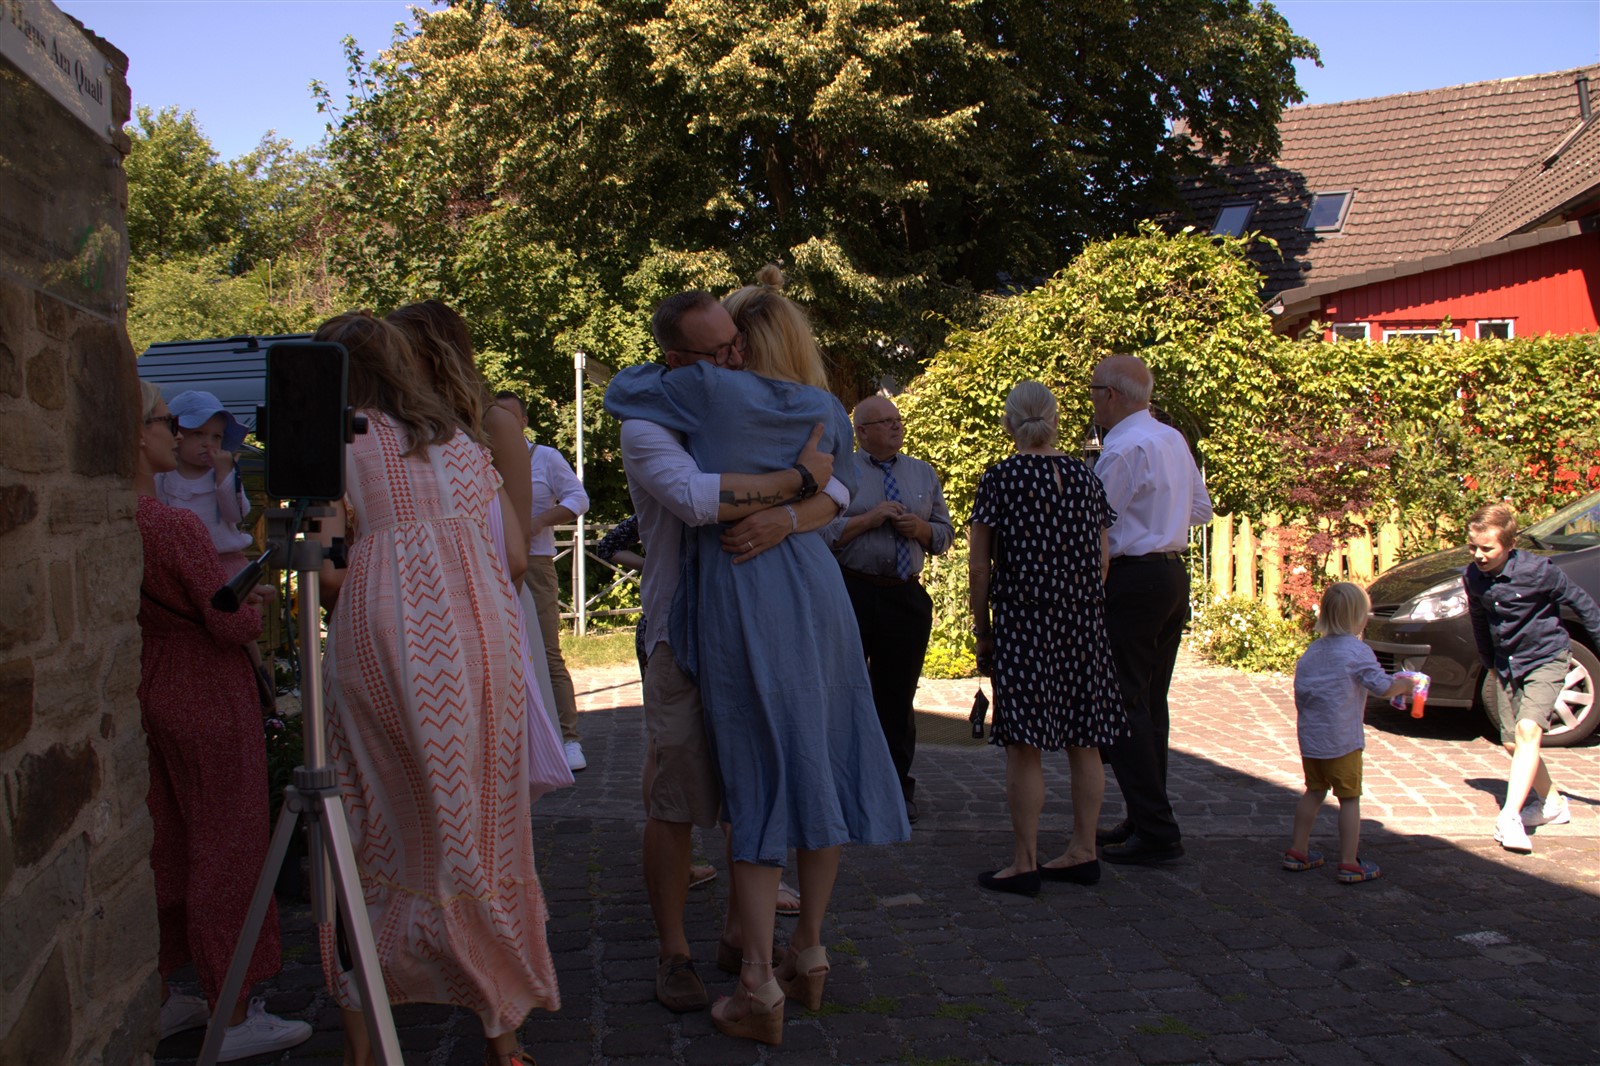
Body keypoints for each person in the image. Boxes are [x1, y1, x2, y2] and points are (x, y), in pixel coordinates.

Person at [605, 269, 909, 1045]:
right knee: (711, 784)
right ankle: (760, 950)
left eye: (737, 343)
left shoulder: (734, 402)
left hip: (747, 607)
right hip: (706, 620)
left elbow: (838, 496)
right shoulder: (796, 410)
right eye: (714, 351)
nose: (729, 361)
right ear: (680, 359)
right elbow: (701, 498)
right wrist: (797, 488)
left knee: (764, 775)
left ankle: (756, 971)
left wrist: (790, 513)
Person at [312, 313, 558, 1066]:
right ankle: (502, 1034)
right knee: (479, 824)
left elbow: (326, 575)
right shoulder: (463, 445)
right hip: (481, 643)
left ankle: (362, 1042)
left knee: (368, 821)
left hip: (385, 640)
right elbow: (513, 556)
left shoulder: (334, 444)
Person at [134, 380, 311, 1061]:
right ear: (142, 435)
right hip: (206, 687)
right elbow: (225, 620)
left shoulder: (117, 517)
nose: (173, 433)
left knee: (171, 842)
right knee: (228, 845)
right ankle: (231, 1011)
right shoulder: (171, 524)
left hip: (155, 681)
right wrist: (252, 607)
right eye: (162, 421)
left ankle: (161, 996)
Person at [388, 300, 572, 801]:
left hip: (494, 597)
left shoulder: (493, 422)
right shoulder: (393, 423)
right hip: (428, 603)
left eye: (402, 350)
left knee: (495, 761)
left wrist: (491, 616)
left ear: (434, 353)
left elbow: (513, 536)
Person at [968, 381, 1127, 895]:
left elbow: (979, 567)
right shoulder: (1086, 477)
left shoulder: (1001, 478)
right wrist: (1079, 603)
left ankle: (1025, 862)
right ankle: (1083, 851)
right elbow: (1103, 561)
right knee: (1086, 740)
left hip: (1025, 621)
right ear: (1056, 420)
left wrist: (983, 631)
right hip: (1083, 621)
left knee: (1024, 745)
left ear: (1009, 423)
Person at [1089, 354, 1213, 866]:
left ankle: (1157, 828)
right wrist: (1161, 522)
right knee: (1149, 701)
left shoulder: (1122, 448)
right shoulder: (1171, 438)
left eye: (1093, 391)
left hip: (1133, 578)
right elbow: (1201, 511)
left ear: (1111, 395)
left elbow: (1095, 523)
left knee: (1121, 702)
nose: (1092, 401)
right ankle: (1145, 816)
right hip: (1170, 575)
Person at [825, 394, 954, 824]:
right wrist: (869, 519)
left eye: (897, 420)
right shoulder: (840, 473)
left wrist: (921, 530)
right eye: (884, 422)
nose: (896, 426)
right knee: (844, 692)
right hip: (852, 591)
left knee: (897, 697)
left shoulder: (922, 472)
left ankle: (897, 790)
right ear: (861, 432)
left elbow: (944, 534)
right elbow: (820, 533)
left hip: (904, 595)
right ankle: (842, 788)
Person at [1464, 503, 1600, 854]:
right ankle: (1552, 803)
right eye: (1473, 547)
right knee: (1513, 743)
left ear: (1509, 545)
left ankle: (1509, 816)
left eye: (1487, 548)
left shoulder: (1539, 571)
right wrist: (1489, 661)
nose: (1478, 555)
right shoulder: (1473, 576)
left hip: (1546, 658)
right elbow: (1479, 619)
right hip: (1506, 664)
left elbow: (1583, 605)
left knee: (1528, 731)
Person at [1284, 582, 1416, 883]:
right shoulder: (1357, 651)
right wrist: (1405, 685)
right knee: (1349, 799)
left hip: (1312, 740)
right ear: (1358, 618)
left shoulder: (1312, 651)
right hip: (1342, 740)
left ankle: (1297, 850)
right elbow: (1382, 687)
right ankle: (1348, 862)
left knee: (1314, 792)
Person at [492, 390, 592, 771]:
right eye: (495, 416)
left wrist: (538, 522)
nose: (501, 423)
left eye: (509, 416)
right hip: (491, 561)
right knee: (501, 650)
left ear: (523, 422)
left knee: (547, 650)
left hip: (534, 562)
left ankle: (569, 738)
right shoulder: (482, 458)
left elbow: (578, 499)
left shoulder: (545, 457)